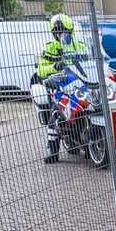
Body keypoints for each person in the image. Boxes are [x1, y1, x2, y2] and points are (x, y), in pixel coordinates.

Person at [35, 13, 90, 164]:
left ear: (70, 30)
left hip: (78, 85)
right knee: (54, 113)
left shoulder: (80, 46)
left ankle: (88, 142)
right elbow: (40, 70)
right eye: (58, 32)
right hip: (59, 86)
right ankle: (53, 153)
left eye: (64, 31)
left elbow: (91, 63)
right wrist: (54, 66)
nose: (61, 34)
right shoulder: (49, 49)